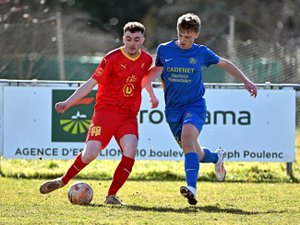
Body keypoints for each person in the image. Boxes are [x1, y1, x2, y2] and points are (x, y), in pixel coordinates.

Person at [142, 13, 257, 205]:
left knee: (188, 139)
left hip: (194, 106)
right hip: (172, 111)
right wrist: (147, 92)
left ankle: (191, 188)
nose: (184, 40)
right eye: (181, 35)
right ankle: (217, 157)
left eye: (188, 36)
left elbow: (225, 64)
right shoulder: (164, 50)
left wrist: (246, 81)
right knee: (194, 150)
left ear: (196, 34)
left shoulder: (202, 53)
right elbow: (153, 73)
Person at [40, 21, 159, 205]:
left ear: (143, 39)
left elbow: (143, 78)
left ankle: (111, 196)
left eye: (136, 39)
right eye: (128, 39)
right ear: (123, 38)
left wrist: (152, 96)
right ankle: (62, 180)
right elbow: (90, 83)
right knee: (90, 154)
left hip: (127, 115)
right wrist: (67, 103)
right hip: (105, 113)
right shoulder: (111, 58)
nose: (132, 43)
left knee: (131, 149)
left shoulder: (146, 59)